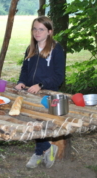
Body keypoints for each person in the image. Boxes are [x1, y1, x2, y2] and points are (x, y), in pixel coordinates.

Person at [15, 16, 65, 169]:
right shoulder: (31, 48)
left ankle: (40, 151)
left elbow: (59, 76)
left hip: (49, 94)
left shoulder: (56, 49)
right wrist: (21, 82)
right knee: (32, 123)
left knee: (42, 123)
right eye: (35, 29)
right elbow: (25, 70)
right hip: (31, 92)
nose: (37, 32)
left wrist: (41, 85)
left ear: (49, 31)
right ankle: (46, 149)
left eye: (41, 29)